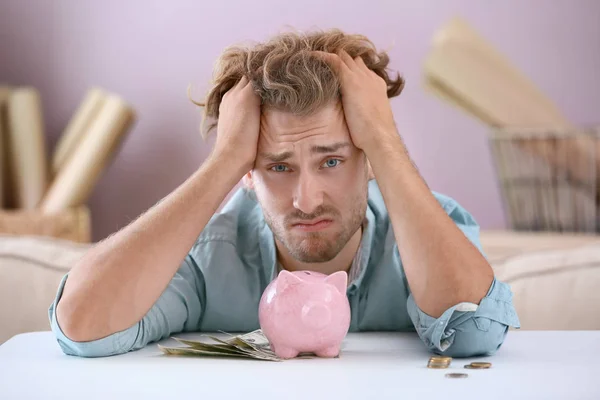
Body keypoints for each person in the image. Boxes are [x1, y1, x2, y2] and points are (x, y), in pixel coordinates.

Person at [49, 29, 520, 358]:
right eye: (278, 166)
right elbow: (82, 326)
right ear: (249, 174)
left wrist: (385, 140)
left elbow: (472, 333)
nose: (306, 199)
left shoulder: (426, 229)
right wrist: (224, 161)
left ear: (369, 159)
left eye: (331, 162)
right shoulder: (209, 255)